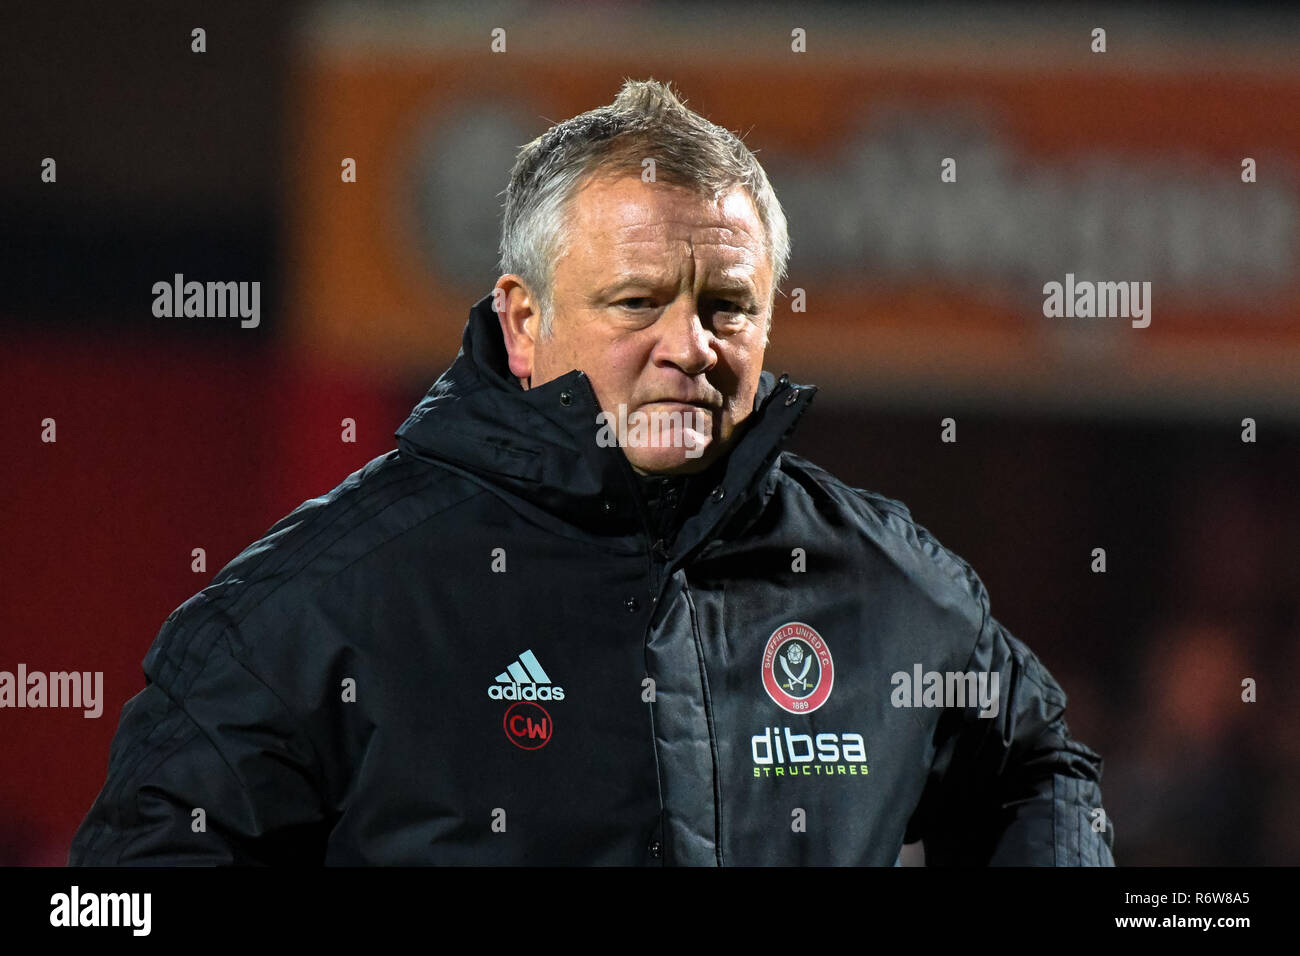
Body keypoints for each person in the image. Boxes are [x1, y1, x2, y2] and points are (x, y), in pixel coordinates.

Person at [69, 78, 1114, 866]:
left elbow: (1036, 765)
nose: (688, 344)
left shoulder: (892, 587)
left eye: (726, 306)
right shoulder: (315, 608)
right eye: (635, 302)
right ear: (524, 323)